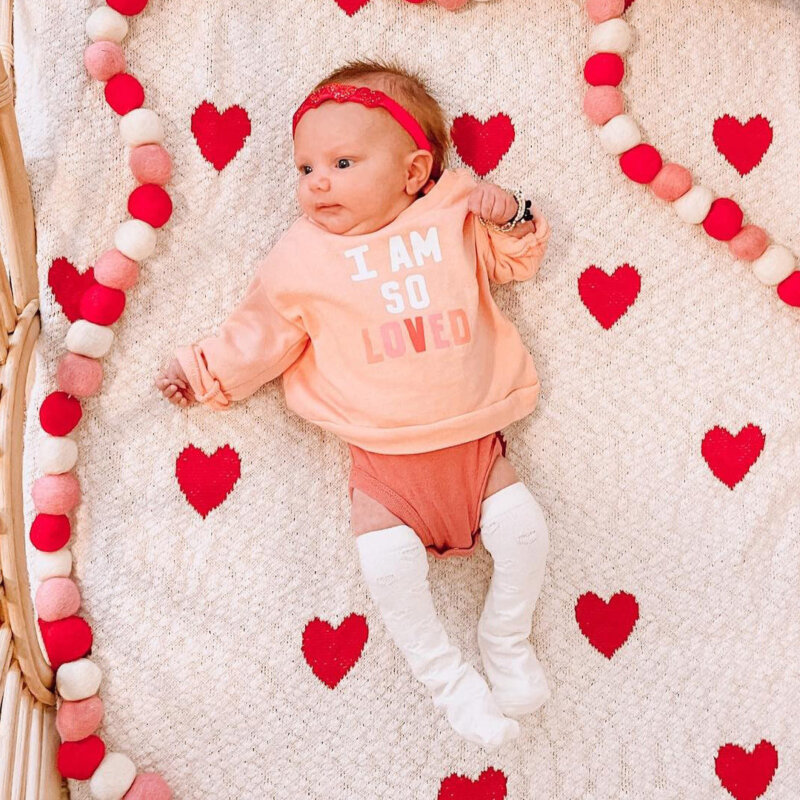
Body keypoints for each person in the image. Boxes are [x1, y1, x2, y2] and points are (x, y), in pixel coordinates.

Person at [155, 58, 552, 751]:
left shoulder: (453, 208)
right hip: (383, 466)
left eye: (342, 163)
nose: (318, 182)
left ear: (413, 171)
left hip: (476, 447)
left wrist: (511, 215)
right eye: (305, 168)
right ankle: (447, 678)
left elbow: (517, 260)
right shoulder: (300, 256)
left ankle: (506, 635)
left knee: (525, 533)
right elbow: (262, 332)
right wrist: (202, 369)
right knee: (388, 569)